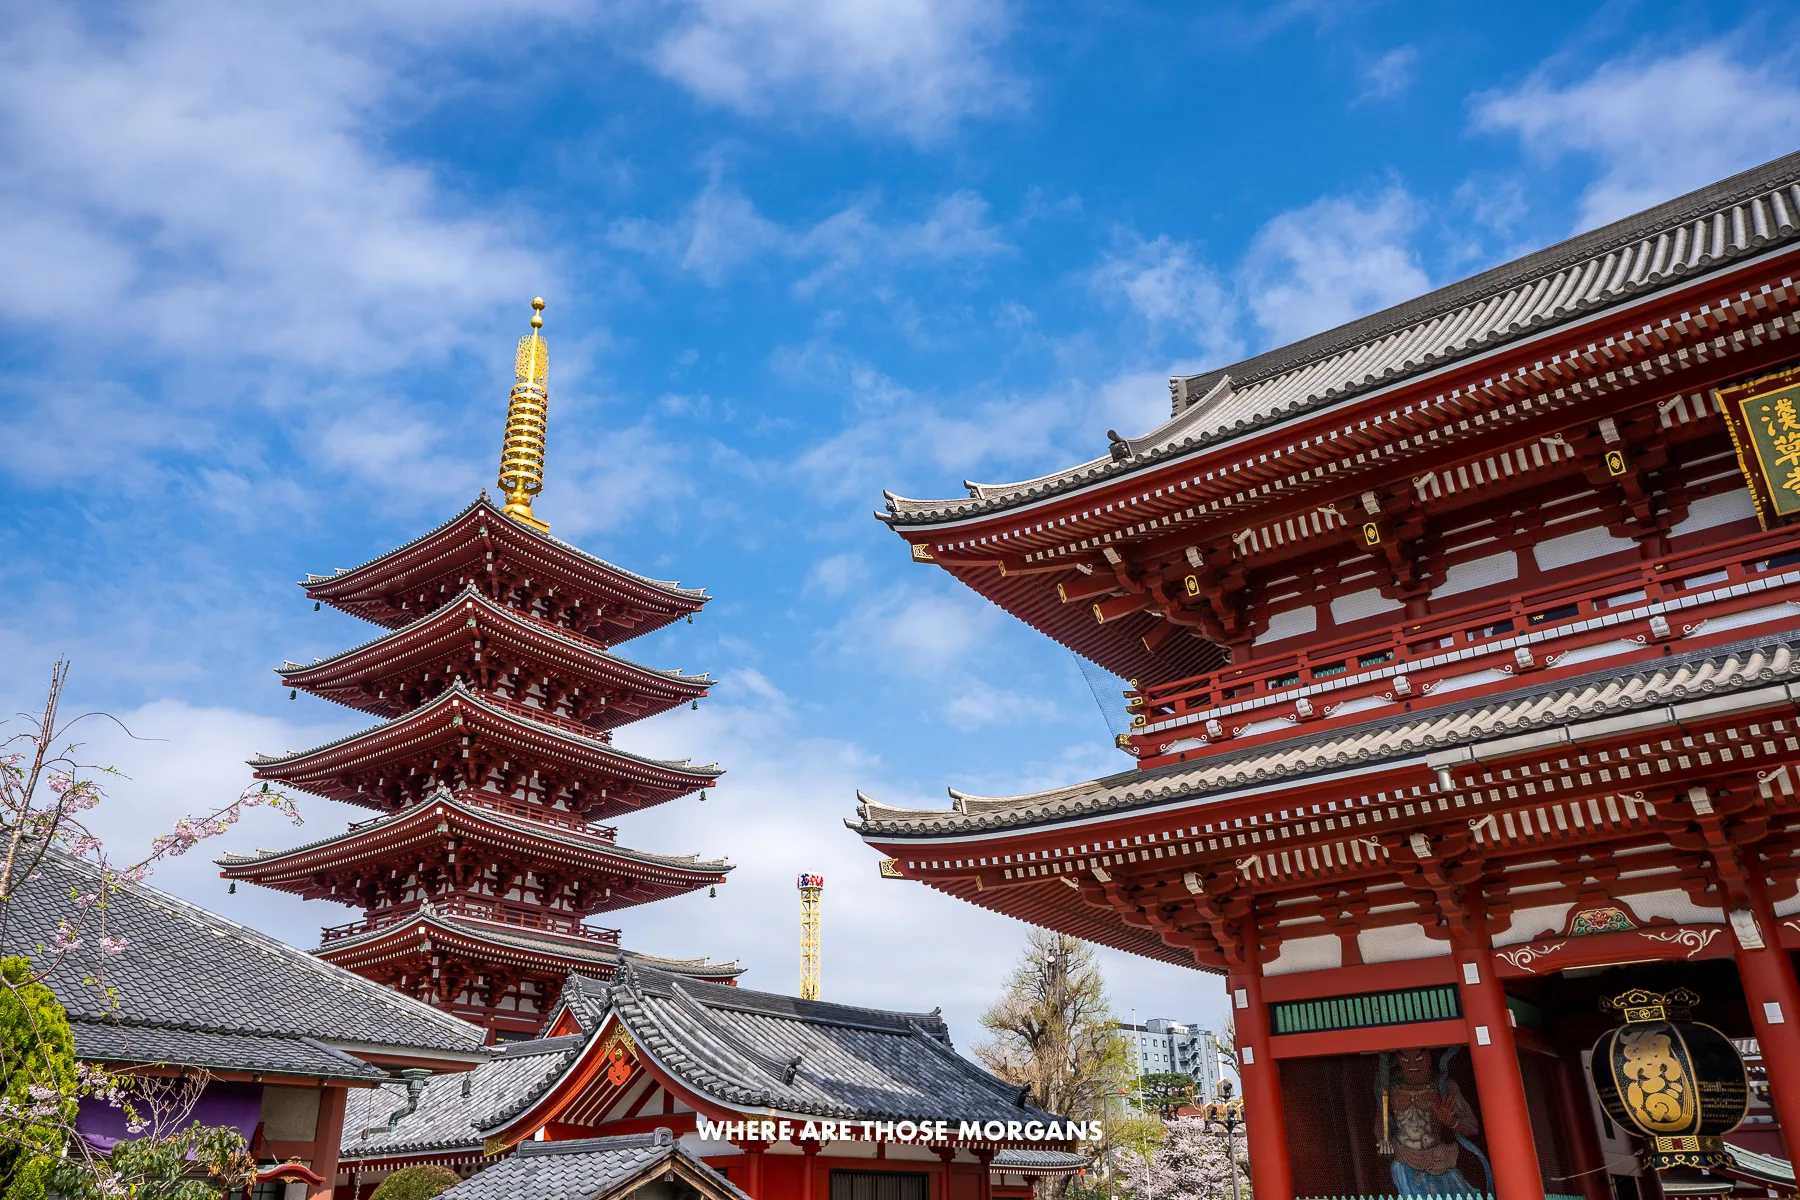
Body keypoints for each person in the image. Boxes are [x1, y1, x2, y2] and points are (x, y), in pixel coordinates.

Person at [1377, 1047, 1483, 1195]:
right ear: (1399, 1060)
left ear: (1429, 1057)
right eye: (1406, 1060)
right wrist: (1383, 1139)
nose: (1413, 1065)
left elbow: (1472, 1125)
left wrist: (1452, 1122)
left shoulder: (1442, 1086)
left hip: (1437, 1160)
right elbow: (1381, 1121)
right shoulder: (1392, 1089)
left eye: (1419, 1059)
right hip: (1403, 1159)